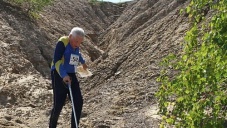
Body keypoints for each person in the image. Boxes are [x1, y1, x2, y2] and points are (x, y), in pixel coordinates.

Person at [49, 27, 87, 128]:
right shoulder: (62, 42)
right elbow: (57, 60)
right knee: (59, 104)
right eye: (76, 41)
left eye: (80, 42)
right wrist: (64, 75)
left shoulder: (75, 44)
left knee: (78, 101)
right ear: (70, 36)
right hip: (58, 73)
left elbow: (77, 54)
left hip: (71, 74)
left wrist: (83, 62)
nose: (78, 44)